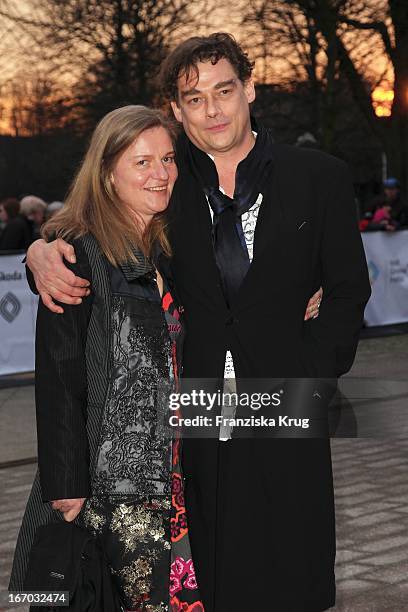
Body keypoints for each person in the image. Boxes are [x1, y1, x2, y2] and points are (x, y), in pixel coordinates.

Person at [23, 33, 370, 612]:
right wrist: (43, 248)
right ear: (177, 109)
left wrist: (316, 369)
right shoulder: (165, 177)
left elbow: (348, 290)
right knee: (210, 564)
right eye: (194, 98)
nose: (212, 110)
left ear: (249, 89)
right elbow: (96, 215)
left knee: (295, 557)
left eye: (224, 91)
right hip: (191, 413)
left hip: (288, 394)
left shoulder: (320, 177)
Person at [9, 106, 204, 611]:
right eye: (141, 162)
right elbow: (58, 379)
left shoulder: (170, 246)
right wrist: (65, 485)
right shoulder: (79, 254)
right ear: (107, 173)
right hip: (106, 493)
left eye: (167, 159)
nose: (160, 174)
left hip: (174, 476)